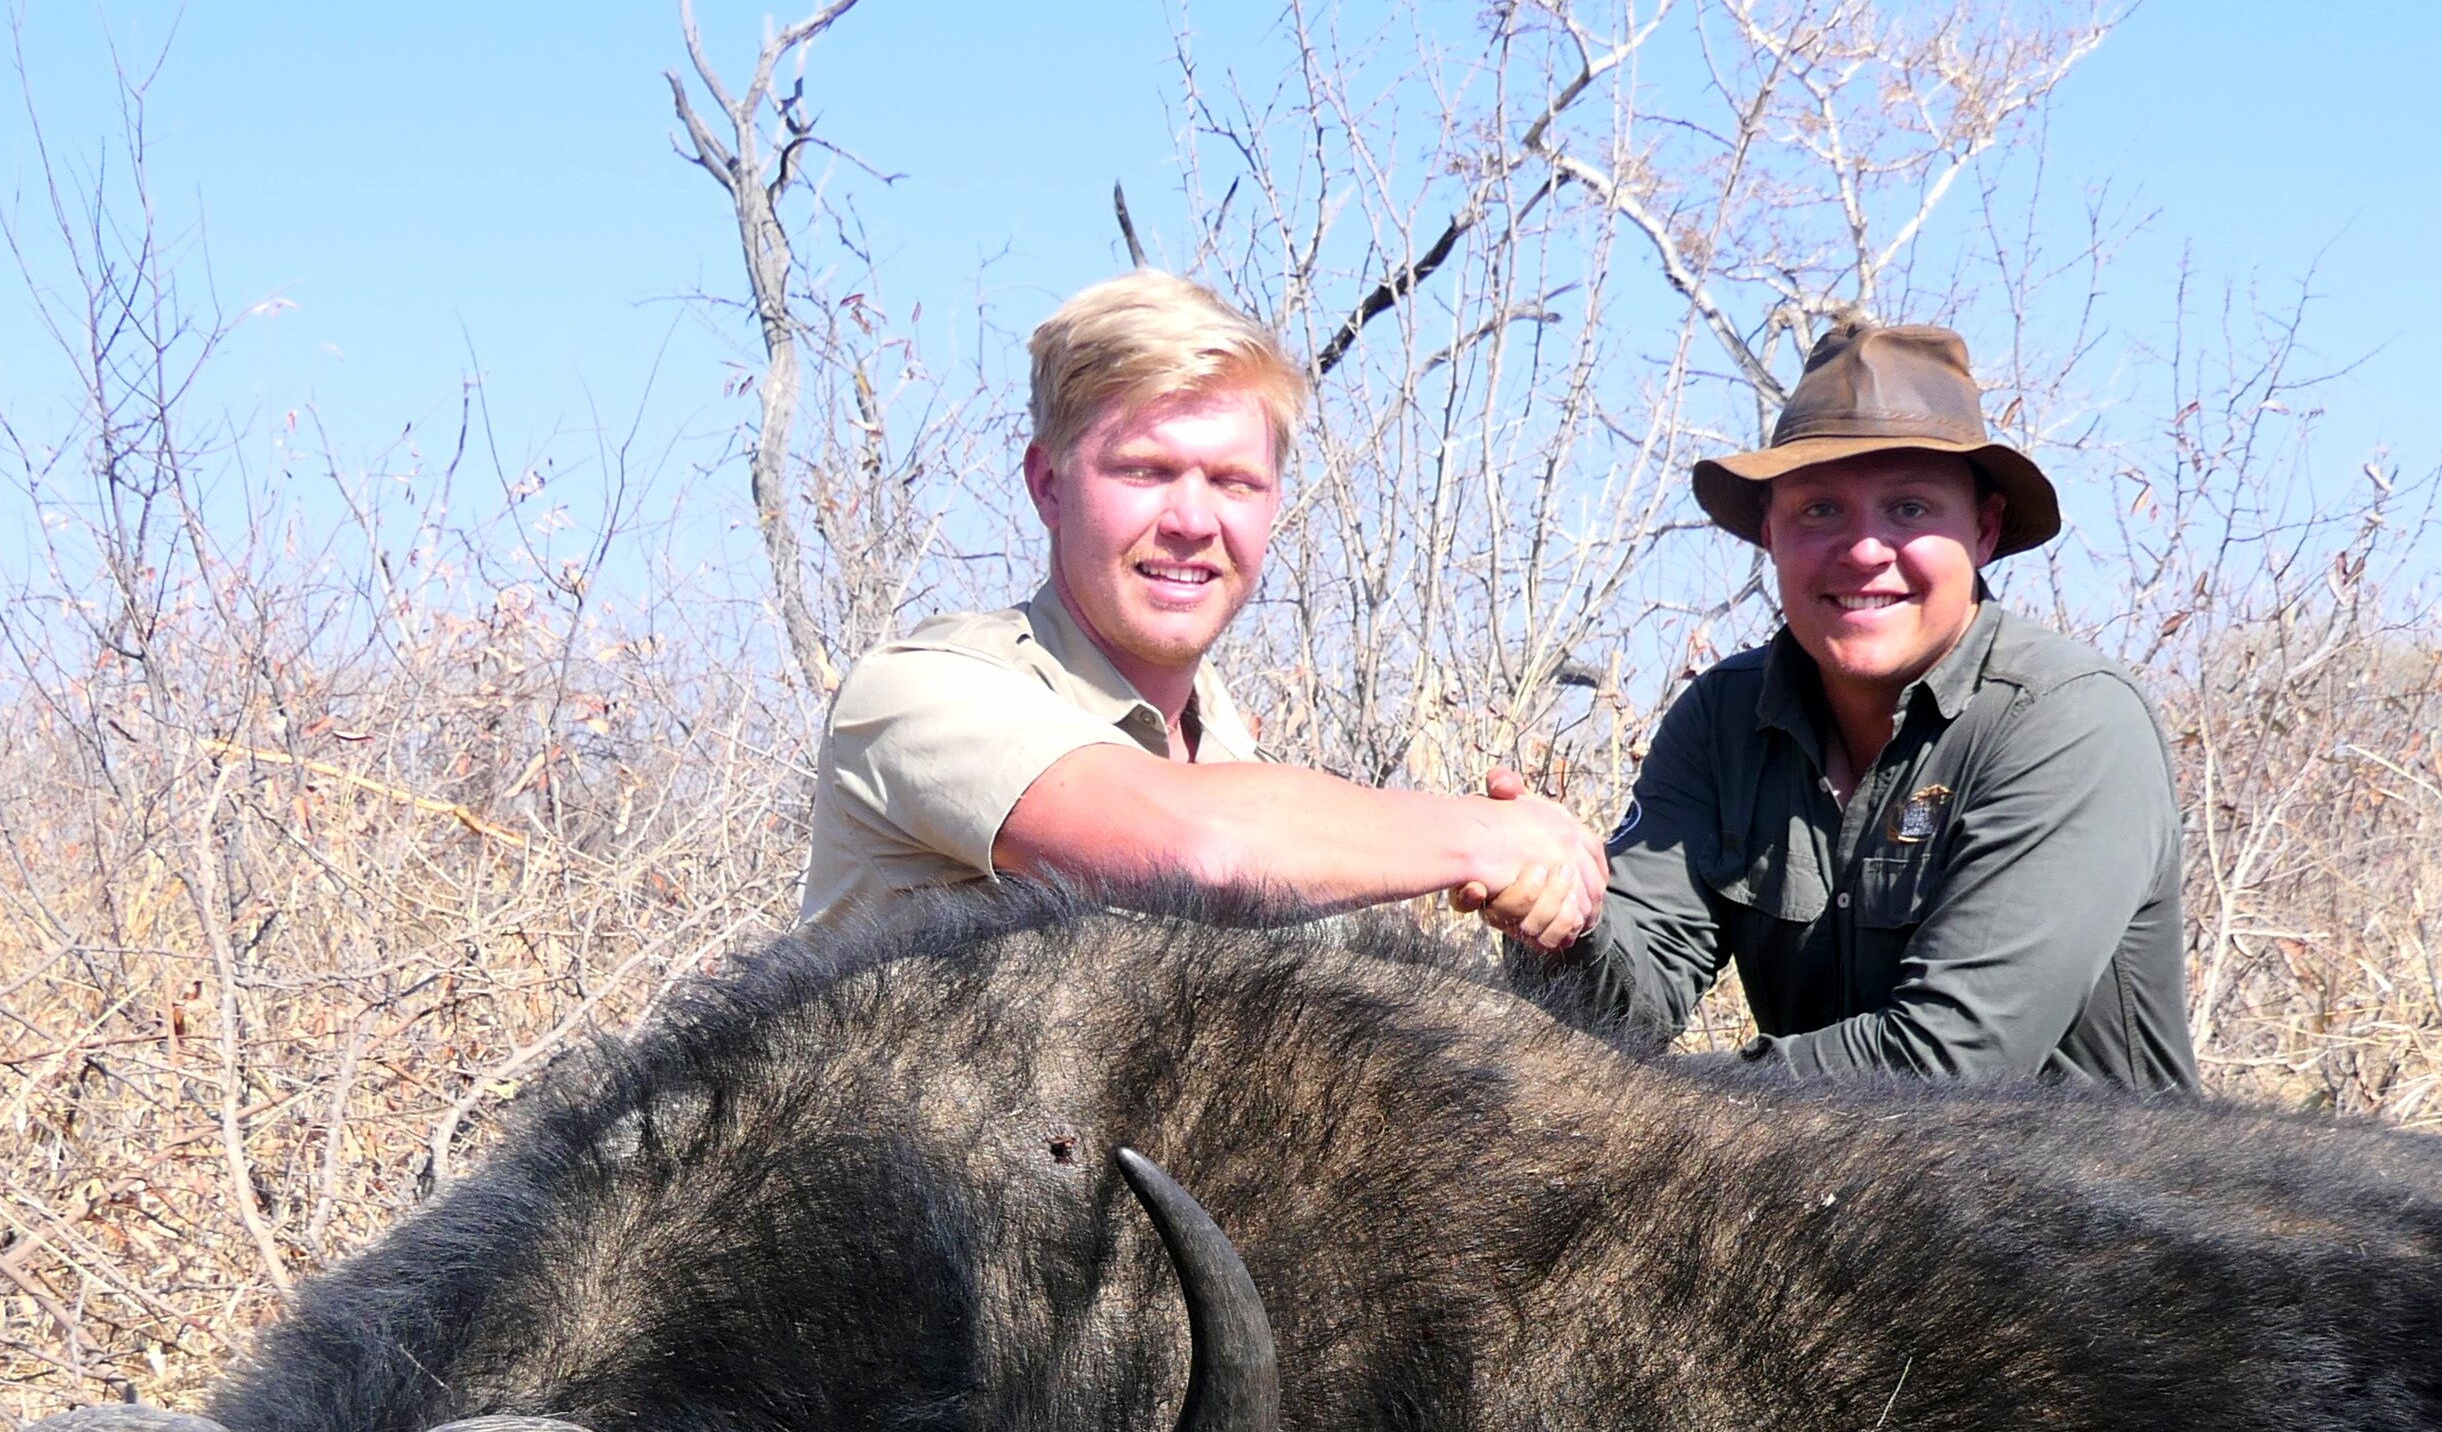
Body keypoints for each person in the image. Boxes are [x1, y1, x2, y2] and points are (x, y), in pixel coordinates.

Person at [799, 271, 1606, 947]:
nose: (1192, 522)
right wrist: (1493, 837)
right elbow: (1200, 852)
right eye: (1145, 472)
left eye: (1232, 483)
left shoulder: (1242, 772)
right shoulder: (916, 695)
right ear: (1047, 484)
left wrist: (1548, 893)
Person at [1542, 320, 2197, 1090]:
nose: (1862, 550)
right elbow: (1629, 1007)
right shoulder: (1721, 717)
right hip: (1835, 1193)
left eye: (1909, 510)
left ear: (1983, 531)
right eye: (1820, 510)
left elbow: (1951, 1062)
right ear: (1770, 534)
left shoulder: (2071, 720)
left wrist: (1662, 1111)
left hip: (2098, 1202)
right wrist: (1560, 916)